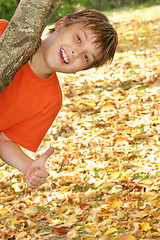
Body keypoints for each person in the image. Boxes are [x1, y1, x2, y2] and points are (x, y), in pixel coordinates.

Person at [0, 9, 118, 189]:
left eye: (86, 57)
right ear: (61, 24)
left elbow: (4, 140)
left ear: (80, 70)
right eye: (78, 39)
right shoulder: (4, 33)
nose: (75, 53)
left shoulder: (50, 101)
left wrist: (28, 165)